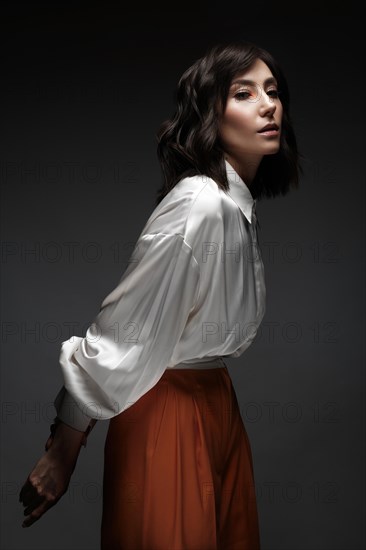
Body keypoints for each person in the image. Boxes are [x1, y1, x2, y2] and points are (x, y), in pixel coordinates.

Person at [19, 39, 302, 549]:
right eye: (244, 93)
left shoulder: (233, 205)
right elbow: (124, 329)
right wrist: (64, 446)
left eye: (273, 90)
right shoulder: (200, 204)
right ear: (209, 116)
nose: (268, 105)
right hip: (168, 410)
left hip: (216, 403)